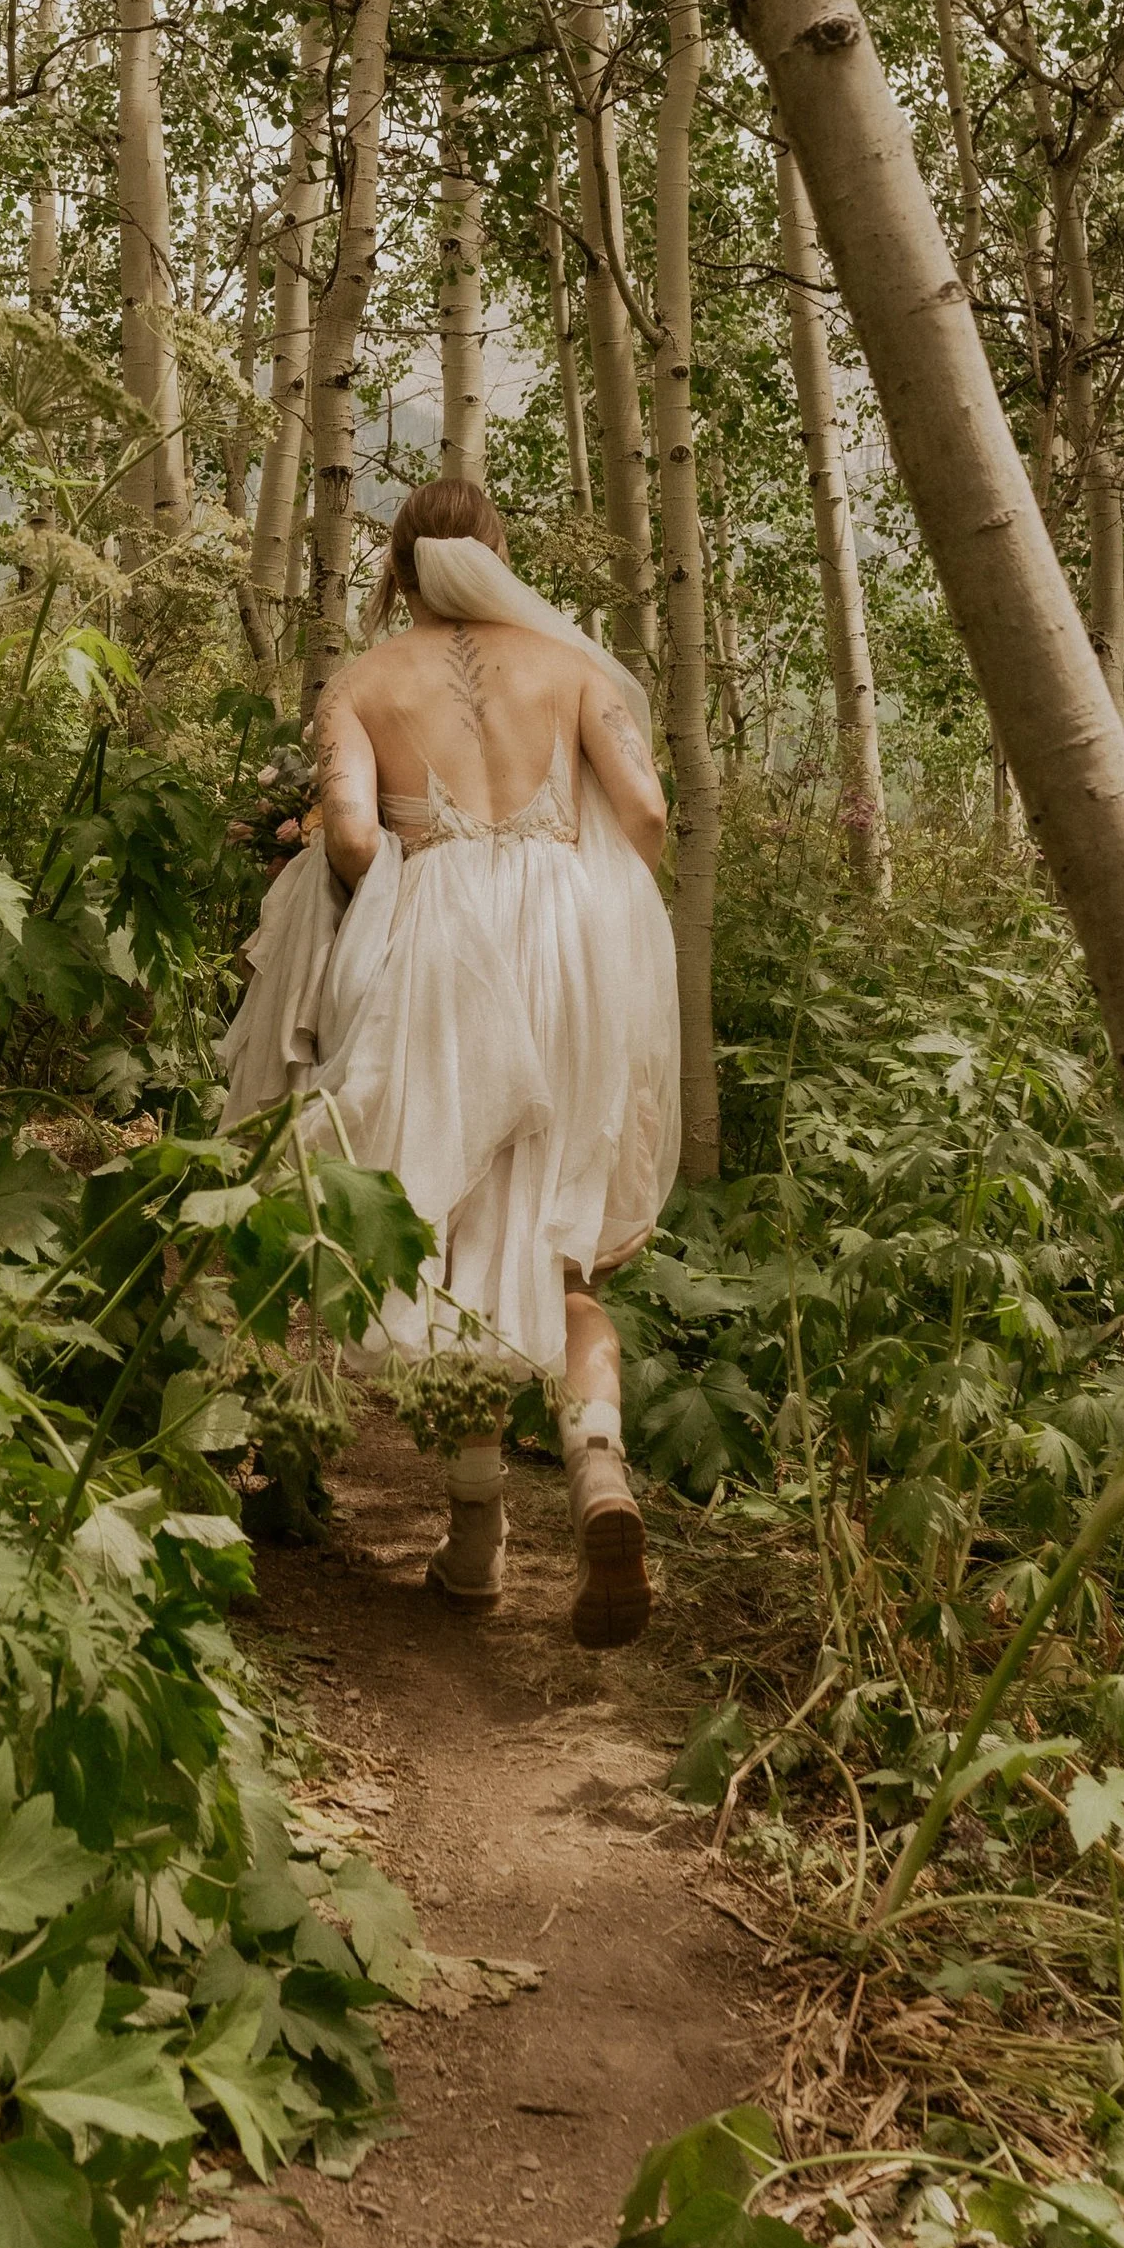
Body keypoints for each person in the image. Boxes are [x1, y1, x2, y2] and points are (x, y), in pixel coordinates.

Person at [220, 477, 679, 1646]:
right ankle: (595, 1463)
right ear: (499, 553)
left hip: (438, 952)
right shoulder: (569, 668)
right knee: (558, 1254)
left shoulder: (363, 684)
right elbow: (647, 814)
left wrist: (386, 890)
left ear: (400, 569)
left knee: (461, 1247)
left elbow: (357, 835)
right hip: (570, 952)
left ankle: (474, 1546)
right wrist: (583, 904)